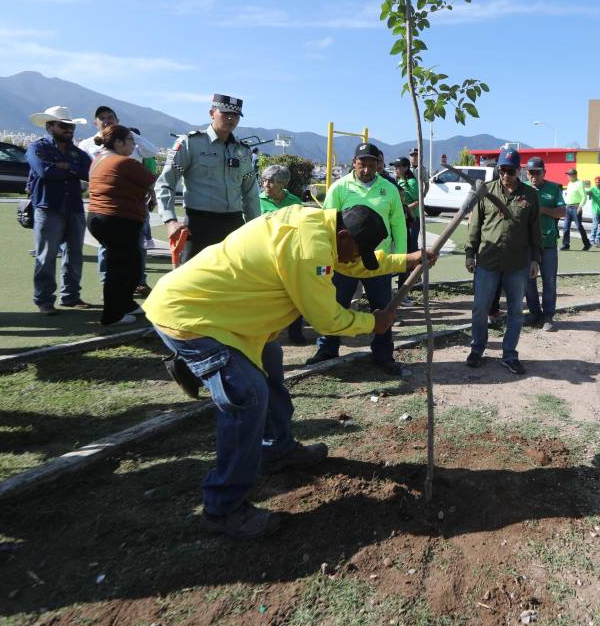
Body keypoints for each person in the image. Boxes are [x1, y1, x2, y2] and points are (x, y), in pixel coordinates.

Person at [144, 204, 433, 538]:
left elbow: (353, 263)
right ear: (343, 236)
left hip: (233, 320)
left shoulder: (321, 230)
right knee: (249, 396)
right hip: (194, 318)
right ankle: (223, 508)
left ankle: (276, 450)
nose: (356, 259)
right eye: (358, 250)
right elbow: (328, 319)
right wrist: (374, 323)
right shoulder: (309, 249)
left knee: (271, 362)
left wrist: (407, 259)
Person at [306, 143, 408, 375]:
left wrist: (400, 258)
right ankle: (327, 349)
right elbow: (327, 225)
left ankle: (383, 355)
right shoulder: (340, 187)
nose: (366, 169)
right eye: (362, 164)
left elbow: (399, 225)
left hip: (377, 261)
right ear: (354, 163)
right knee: (334, 305)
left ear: (379, 165)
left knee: (383, 308)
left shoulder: (389, 189)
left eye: (372, 164)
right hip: (344, 261)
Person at [155, 94, 259, 264]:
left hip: (234, 225)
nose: (231, 118)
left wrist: (254, 227)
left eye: (236, 115)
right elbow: (165, 184)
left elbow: (251, 193)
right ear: (212, 113)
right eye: (225, 113)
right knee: (190, 282)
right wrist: (170, 221)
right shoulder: (189, 143)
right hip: (199, 226)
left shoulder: (243, 151)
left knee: (232, 281)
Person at [465, 148, 541, 375]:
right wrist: (470, 253)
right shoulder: (485, 191)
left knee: (516, 312)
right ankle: (477, 349)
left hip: (517, 264)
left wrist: (535, 259)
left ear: (519, 171)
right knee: (480, 309)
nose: (506, 175)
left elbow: (534, 231)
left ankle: (509, 354)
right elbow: (475, 226)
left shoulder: (530, 195)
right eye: (502, 170)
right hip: (487, 262)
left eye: (510, 171)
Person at [78, 106, 161, 298]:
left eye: (110, 117)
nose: (107, 120)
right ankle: (111, 288)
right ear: (95, 123)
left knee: (136, 248)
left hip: (133, 205)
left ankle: (136, 284)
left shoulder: (129, 143)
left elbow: (152, 151)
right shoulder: (89, 146)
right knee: (112, 250)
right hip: (109, 205)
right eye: (102, 118)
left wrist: (131, 135)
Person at [86, 125, 157, 326]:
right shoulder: (124, 163)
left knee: (129, 264)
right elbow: (153, 182)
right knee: (121, 268)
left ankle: (125, 303)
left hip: (99, 218)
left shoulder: (98, 160)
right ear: (118, 142)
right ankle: (112, 315)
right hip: (117, 220)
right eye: (130, 140)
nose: (134, 144)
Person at [26, 106, 94, 315]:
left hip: (73, 207)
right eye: (63, 125)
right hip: (49, 207)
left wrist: (66, 167)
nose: (69, 130)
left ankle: (71, 296)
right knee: (46, 256)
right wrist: (73, 171)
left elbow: (91, 173)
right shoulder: (36, 148)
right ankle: (44, 300)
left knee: (74, 254)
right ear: (50, 126)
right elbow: (45, 172)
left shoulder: (77, 153)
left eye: (70, 126)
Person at [258, 164, 308, 344]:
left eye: (271, 182)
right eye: (264, 181)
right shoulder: (256, 201)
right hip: (264, 255)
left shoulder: (294, 201)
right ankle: (265, 334)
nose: (266, 185)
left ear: (283, 183)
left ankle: (296, 334)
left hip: (288, 255)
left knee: (293, 295)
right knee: (267, 297)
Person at [523, 157, 564, 331]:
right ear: (527, 173)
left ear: (544, 173)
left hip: (547, 243)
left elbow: (562, 211)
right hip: (527, 244)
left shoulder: (554, 188)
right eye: (531, 172)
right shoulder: (522, 189)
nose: (534, 176)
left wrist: (543, 210)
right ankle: (534, 313)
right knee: (528, 281)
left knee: (549, 281)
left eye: (537, 172)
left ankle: (548, 316)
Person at [392, 157, 421, 301]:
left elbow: (418, 200)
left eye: (398, 166)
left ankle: (412, 279)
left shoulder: (412, 182)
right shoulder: (396, 181)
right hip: (400, 221)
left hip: (411, 221)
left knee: (409, 251)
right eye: (395, 166)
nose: (396, 169)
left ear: (406, 168)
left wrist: (404, 209)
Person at [561, 168, 591, 250]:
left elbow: (584, 196)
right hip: (568, 207)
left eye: (569, 175)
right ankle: (566, 245)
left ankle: (587, 244)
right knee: (566, 227)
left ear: (574, 175)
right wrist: (566, 205)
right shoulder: (569, 184)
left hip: (576, 207)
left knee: (579, 226)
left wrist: (580, 207)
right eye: (568, 175)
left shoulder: (580, 183)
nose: (568, 176)